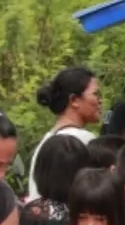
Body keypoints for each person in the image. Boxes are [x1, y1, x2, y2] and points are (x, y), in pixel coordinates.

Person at [27, 66, 101, 200]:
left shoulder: (47, 140)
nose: (100, 101)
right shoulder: (84, 140)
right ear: (74, 100)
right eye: (95, 94)